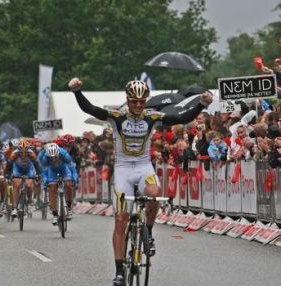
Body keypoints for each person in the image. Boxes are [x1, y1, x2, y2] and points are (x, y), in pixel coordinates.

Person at [68, 77, 213, 286]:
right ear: (128, 99)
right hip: (123, 169)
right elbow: (90, 109)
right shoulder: (117, 116)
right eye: (134, 101)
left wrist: (202, 104)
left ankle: (149, 234)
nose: (138, 105)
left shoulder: (152, 117)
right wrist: (77, 92)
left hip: (144, 166)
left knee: (154, 193)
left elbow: (182, 117)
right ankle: (119, 271)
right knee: (120, 219)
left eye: (142, 101)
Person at [38, 142, 74, 225]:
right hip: (52, 172)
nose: (54, 159)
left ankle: (69, 207)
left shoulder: (65, 155)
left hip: (64, 170)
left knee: (68, 185)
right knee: (52, 188)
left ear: (59, 153)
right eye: (51, 157)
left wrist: (73, 178)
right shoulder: (44, 159)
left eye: (55, 157)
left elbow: (72, 168)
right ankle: (55, 214)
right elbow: (43, 172)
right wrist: (46, 180)